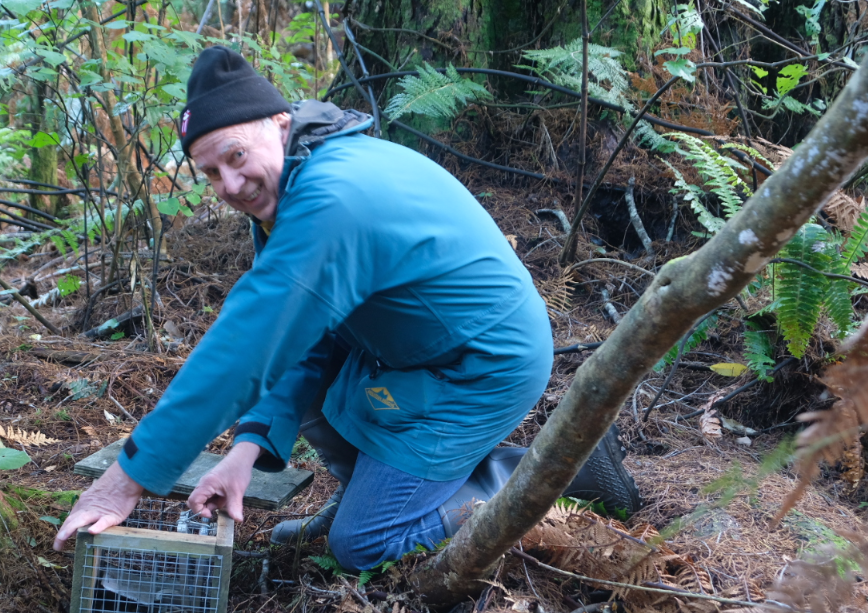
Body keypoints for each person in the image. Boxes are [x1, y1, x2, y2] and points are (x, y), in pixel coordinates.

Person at [53, 46, 640, 569]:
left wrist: (125, 479)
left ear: (278, 123)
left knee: (364, 544)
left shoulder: (333, 198)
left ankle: (559, 471)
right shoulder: (293, 185)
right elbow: (297, 341)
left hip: (480, 365)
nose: (229, 185)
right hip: (405, 350)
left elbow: (244, 348)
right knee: (308, 378)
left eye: (235, 156)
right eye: (210, 173)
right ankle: (370, 485)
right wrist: (243, 452)